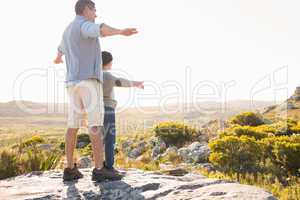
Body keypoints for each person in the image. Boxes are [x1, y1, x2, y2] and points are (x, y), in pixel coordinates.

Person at [53, 0, 138, 182]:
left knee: (73, 125)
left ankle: (69, 169)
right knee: (95, 125)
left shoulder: (67, 30)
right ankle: (99, 169)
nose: (96, 14)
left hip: (72, 83)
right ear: (86, 9)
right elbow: (99, 29)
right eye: (94, 10)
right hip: (88, 82)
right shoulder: (85, 25)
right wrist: (120, 32)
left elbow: (60, 48)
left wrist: (58, 57)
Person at [101, 51, 144, 176]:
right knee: (110, 139)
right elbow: (121, 82)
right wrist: (136, 83)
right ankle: (109, 166)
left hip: (96, 109)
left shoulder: (95, 75)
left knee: (99, 138)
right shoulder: (107, 75)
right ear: (108, 62)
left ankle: (99, 166)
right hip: (108, 109)